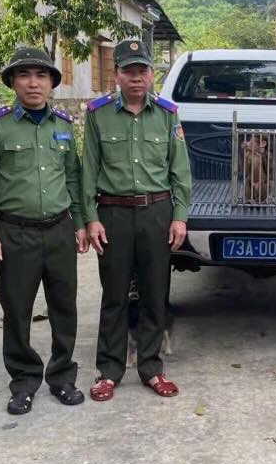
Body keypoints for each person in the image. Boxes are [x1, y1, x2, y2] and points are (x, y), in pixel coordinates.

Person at [0, 46, 87, 415]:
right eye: (24, 75)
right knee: (17, 310)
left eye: (41, 75)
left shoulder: (64, 126)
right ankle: (23, 380)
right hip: (14, 232)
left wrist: (81, 224)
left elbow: (73, 178)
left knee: (64, 308)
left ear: (53, 82)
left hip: (59, 230)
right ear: (12, 82)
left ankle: (62, 376)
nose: (33, 83)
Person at [80, 39, 192, 402]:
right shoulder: (98, 115)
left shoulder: (166, 113)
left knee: (154, 293)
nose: (136, 77)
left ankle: (151, 367)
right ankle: (109, 370)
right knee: (113, 294)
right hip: (113, 213)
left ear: (150, 73)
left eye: (142, 70)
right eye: (129, 70)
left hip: (156, 212)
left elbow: (180, 171)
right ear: (116, 75)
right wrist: (91, 218)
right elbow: (88, 171)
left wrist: (179, 217)